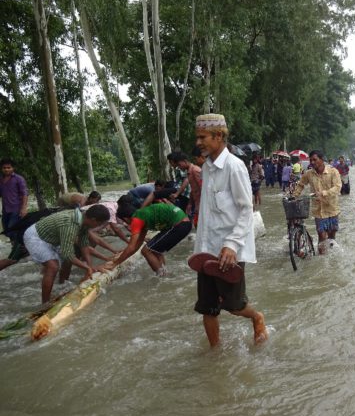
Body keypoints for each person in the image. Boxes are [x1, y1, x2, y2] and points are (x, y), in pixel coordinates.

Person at [192, 113, 268, 347]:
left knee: (234, 306)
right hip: (206, 249)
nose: (198, 143)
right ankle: (215, 354)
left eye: (202, 137)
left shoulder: (235, 167)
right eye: (198, 137)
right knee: (207, 307)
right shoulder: (206, 168)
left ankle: (257, 317)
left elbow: (246, 209)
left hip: (228, 250)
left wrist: (232, 244)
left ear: (218, 136)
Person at [23, 205, 110, 303]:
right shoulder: (70, 223)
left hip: (52, 237)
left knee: (68, 261)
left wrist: (90, 267)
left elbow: (84, 244)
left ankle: (62, 286)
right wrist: (87, 268)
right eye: (100, 223)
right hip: (36, 236)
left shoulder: (84, 221)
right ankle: (45, 303)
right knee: (53, 267)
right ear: (94, 220)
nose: (99, 226)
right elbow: (67, 253)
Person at [100, 202, 192, 277]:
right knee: (155, 250)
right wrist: (122, 255)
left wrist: (115, 264)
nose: (125, 223)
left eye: (124, 221)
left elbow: (132, 247)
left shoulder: (137, 220)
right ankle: (164, 273)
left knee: (146, 251)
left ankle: (161, 277)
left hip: (179, 225)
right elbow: (137, 244)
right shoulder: (142, 215)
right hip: (183, 223)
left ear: (125, 218)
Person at [293, 150, 342, 254]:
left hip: (332, 209)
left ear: (321, 159)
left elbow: (338, 187)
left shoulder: (333, 171)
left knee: (332, 237)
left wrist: (324, 193)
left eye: (315, 159)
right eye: (311, 160)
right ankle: (322, 260)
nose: (312, 162)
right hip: (318, 211)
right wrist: (294, 196)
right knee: (321, 236)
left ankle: (331, 257)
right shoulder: (309, 174)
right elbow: (301, 184)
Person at [0, 158, 29, 243]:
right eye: (4, 167)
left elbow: (25, 194)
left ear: (13, 168)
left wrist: (23, 208)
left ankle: (19, 247)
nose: (6, 169)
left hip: (16, 209)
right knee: (7, 230)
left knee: (13, 229)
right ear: (1, 168)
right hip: (5, 209)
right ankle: (16, 246)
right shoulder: (1, 179)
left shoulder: (19, 179)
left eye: (8, 167)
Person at [172, 151, 202, 227]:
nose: (179, 167)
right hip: (197, 204)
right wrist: (190, 203)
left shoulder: (195, 170)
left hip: (203, 204)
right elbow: (193, 189)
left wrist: (199, 205)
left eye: (179, 164)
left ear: (185, 161)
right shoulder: (189, 172)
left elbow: (203, 188)